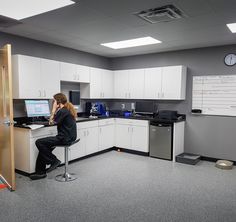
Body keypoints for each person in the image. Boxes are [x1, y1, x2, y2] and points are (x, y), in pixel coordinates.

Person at [30, 93, 77, 180]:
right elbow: (55, 120)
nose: (53, 103)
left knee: (39, 142)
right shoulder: (67, 109)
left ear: (58, 102)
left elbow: (51, 121)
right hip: (69, 137)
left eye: (54, 101)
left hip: (64, 138)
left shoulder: (62, 111)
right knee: (44, 148)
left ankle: (54, 161)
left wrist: (53, 109)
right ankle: (40, 172)